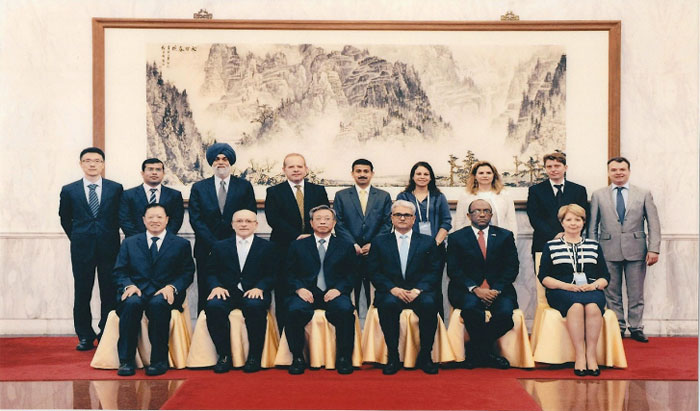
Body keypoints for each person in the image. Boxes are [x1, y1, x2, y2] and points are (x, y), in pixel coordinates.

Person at [113, 203, 194, 376]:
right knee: (131, 304)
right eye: (150, 217)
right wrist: (129, 285)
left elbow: (187, 273)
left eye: (159, 217)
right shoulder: (129, 243)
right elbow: (120, 270)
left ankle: (159, 361)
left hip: (164, 291)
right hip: (137, 290)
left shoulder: (181, 244)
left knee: (158, 305)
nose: (155, 220)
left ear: (167, 220)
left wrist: (172, 287)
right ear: (144, 220)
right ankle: (126, 360)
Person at [588, 157, 660, 343]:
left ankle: (636, 328)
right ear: (608, 172)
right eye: (614, 170)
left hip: (636, 250)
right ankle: (617, 327)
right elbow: (592, 226)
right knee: (611, 293)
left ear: (628, 171)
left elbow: (653, 223)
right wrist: (593, 251)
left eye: (622, 169)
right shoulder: (598, 195)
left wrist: (654, 249)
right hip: (607, 250)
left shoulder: (643, 194)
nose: (618, 173)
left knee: (636, 293)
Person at [59, 147, 123, 351]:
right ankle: (85, 335)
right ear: (81, 164)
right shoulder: (69, 190)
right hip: (81, 249)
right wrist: (78, 237)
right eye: (87, 160)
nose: (92, 164)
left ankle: (106, 332)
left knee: (109, 291)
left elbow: (120, 216)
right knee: (82, 292)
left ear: (103, 164)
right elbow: (65, 218)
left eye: (97, 160)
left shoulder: (116, 188)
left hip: (109, 247)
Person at [367, 200, 442, 375]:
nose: (402, 218)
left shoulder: (427, 242)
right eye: (398, 215)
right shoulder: (379, 242)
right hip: (391, 291)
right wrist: (392, 289)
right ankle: (393, 356)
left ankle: (425, 356)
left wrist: (418, 290)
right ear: (391, 217)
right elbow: (373, 271)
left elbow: (434, 270)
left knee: (429, 304)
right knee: (388, 305)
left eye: (407, 215)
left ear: (414, 219)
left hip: (419, 292)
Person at [538, 204, 609, 377]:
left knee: (592, 307)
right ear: (562, 222)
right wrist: (566, 286)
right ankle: (579, 356)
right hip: (561, 291)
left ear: (583, 222)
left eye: (577, 219)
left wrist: (594, 285)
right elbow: (544, 277)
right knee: (576, 306)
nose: (573, 223)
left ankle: (591, 355)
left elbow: (605, 276)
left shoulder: (593, 245)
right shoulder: (551, 246)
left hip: (590, 289)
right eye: (568, 220)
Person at [284, 205, 356, 375]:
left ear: (334, 222)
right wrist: (299, 289)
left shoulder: (345, 246)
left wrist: (339, 289)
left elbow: (352, 273)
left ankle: (344, 358)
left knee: (345, 310)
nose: (323, 222)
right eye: (318, 219)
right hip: (306, 292)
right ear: (311, 222)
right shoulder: (298, 245)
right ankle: (297, 357)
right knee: (293, 310)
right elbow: (288, 273)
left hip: (334, 292)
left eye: (327, 218)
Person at [447, 199, 519, 369]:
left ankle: (476, 352)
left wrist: (496, 289)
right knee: (471, 311)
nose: (481, 214)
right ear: (468, 215)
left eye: (486, 211)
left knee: (505, 316)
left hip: (499, 290)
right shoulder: (456, 237)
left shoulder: (505, 236)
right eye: (477, 211)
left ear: (491, 215)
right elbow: (454, 269)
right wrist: (475, 289)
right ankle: (488, 356)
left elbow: (512, 267)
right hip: (466, 290)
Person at [203, 209, 277, 373]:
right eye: (239, 221)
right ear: (232, 224)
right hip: (227, 292)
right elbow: (210, 272)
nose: (244, 224)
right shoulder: (220, 246)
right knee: (213, 306)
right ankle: (224, 355)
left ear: (256, 225)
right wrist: (216, 286)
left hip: (254, 291)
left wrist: (260, 287)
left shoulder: (268, 247)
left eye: (248, 221)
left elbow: (272, 274)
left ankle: (254, 357)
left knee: (254, 306)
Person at [265, 153, 329, 332]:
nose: (295, 170)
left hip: (313, 248)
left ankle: (310, 337)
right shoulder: (274, 192)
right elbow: (273, 219)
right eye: (291, 166)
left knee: (310, 290)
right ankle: (284, 337)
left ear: (306, 169)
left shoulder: (318, 190)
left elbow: (324, 216)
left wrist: (311, 235)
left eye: (299, 166)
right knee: (283, 291)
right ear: (284, 170)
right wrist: (297, 236)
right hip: (283, 248)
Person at [189, 143, 256, 313]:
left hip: (237, 247)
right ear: (211, 162)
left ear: (230, 162)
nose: (221, 162)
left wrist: (229, 244)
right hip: (206, 249)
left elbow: (249, 216)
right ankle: (205, 330)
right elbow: (196, 220)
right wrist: (215, 244)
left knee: (235, 291)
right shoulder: (199, 187)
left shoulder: (244, 186)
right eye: (217, 159)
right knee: (207, 293)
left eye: (225, 159)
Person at [333, 159, 392, 311]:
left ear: (372, 174)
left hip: (375, 252)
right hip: (350, 251)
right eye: (358, 171)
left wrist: (373, 244)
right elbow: (338, 223)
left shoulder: (383, 196)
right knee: (351, 293)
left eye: (366, 171)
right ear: (352, 173)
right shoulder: (341, 195)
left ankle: (371, 324)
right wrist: (353, 244)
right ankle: (355, 324)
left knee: (374, 294)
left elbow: (387, 223)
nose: (362, 174)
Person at [396, 161, 451, 317]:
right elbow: (399, 220)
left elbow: (446, 222)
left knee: (434, 287)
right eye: (418, 174)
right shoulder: (404, 196)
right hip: (411, 248)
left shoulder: (438, 197)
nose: (422, 177)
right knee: (411, 285)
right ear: (412, 177)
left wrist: (435, 243)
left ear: (431, 177)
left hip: (436, 248)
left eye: (426, 174)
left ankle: (437, 325)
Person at [526, 152, 588, 258]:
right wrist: (554, 235)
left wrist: (568, 234)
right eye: (549, 167)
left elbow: (583, 216)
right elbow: (534, 217)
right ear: (545, 169)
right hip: (543, 243)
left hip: (572, 241)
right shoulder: (536, 190)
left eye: (557, 166)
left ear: (565, 168)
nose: (553, 169)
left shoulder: (578, 190)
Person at [119, 158, 184, 237]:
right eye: (150, 169)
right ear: (142, 173)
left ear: (163, 174)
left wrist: (162, 239)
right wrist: (142, 240)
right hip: (135, 241)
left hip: (166, 241)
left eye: (158, 170)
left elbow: (176, 221)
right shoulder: (128, 195)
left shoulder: (174, 195)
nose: (154, 173)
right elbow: (125, 221)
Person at [453, 161, 518, 236]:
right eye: (481, 173)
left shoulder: (505, 194)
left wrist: (512, 241)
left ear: (494, 175)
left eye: (488, 173)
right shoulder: (465, 195)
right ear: (475, 176)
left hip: (499, 239)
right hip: (472, 239)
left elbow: (511, 221)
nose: (485, 176)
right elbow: (459, 221)